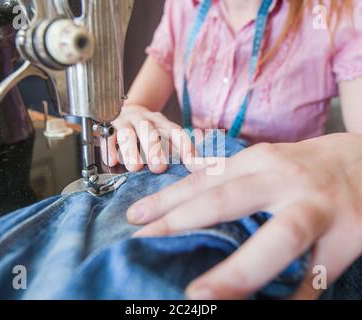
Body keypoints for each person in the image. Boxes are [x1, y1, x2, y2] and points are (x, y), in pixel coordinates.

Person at [111, 0, 362, 299]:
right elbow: (138, 105)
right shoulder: (184, 6)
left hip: (278, 199)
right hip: (193, 181)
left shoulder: (336, 11)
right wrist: (131, 115)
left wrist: (350, 159)